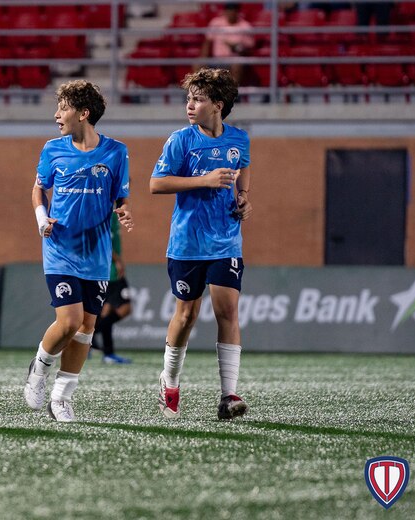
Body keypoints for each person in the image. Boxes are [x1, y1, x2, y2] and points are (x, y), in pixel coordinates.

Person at [24, 80, 133, 423]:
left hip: (97, 254)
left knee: (87, 327)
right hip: (60, 248)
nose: (57, 115)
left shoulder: (116, 152)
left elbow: (121, 197)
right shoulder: (52, 149)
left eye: (64, 108)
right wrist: (42, 218)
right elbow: (38, 190)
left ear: (83, 113)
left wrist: (124, 210)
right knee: (69, 321)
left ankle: (62, 398)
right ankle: (39, 368)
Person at [150, 68, 252, 421]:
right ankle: (170, 383)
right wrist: (203, 180)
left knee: (228, 312)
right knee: (186, 315)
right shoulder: (180, 140)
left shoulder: (239, 140)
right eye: (188, 99)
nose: (189, 105)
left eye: (197, 99)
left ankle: (229, 395)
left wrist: (243, 198)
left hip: (226, 242)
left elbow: (242, 172)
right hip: (187, 244)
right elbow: (156, 184)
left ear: (218, 105)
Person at [91, 214, 133, 364]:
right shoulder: (103, 214)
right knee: (124, 309)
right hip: (109, 272)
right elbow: (102, 242)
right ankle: (89, 340)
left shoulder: (114, 214)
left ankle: (91, 343)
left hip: (112, 272)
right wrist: (117, 260)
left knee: (107, 313)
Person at [199, 3, 254, 84]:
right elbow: (207, 42)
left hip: (235, 60)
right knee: (198, 64)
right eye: (229, 10)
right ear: (225, 11)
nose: (231, 12)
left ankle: (231, 95)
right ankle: (200, 94)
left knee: (237, 65)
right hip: (216, 60)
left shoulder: (245, 26)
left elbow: (249, 49)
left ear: (238, 12)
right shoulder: (216, 23)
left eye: (234, 10)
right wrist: (203, 58)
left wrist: (237, 48)